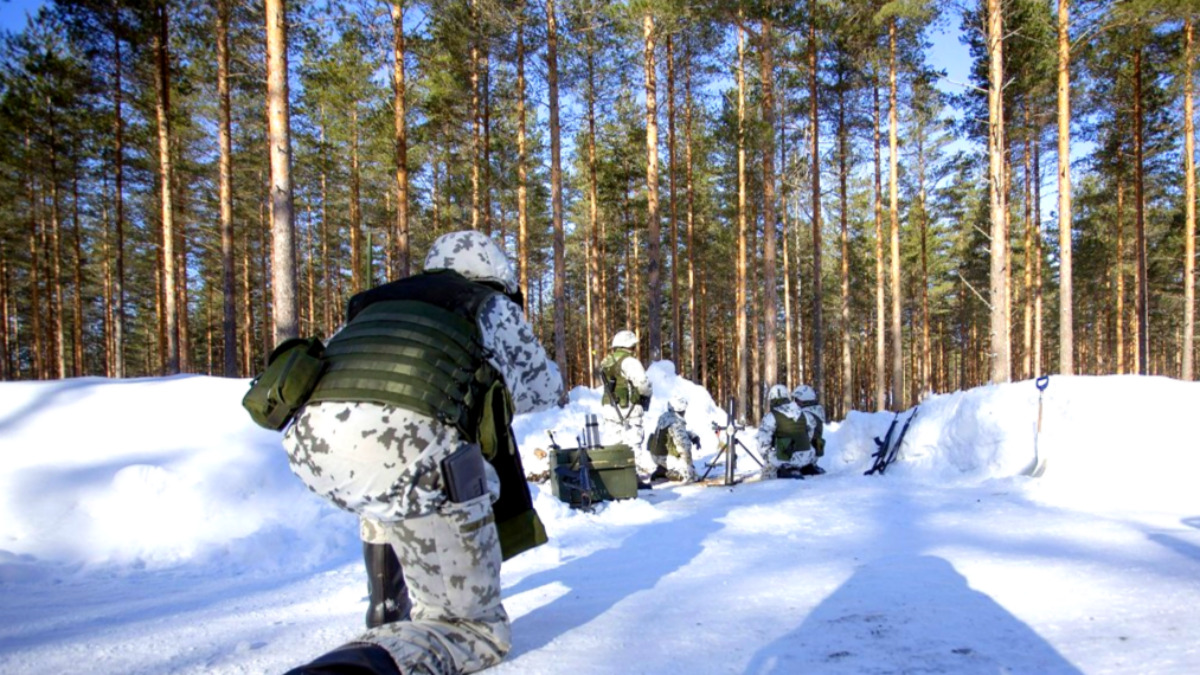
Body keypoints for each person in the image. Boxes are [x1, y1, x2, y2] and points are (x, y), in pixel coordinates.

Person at [281, 230, 563, 675]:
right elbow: (545, 389)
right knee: (473, 630)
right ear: (496, 272)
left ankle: (387, 605)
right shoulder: (487, 303)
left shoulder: (374, 302)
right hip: (411, 458)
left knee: (389, 471)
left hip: (311, 448)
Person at [598, 330, 654, 473]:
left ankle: (614, 477)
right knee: (633, 443)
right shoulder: (630, 361)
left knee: (613, 443)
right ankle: (633, 477)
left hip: (610, 407)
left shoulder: (607, 361)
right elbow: (642, 383)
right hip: (629, 407)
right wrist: (645, 394)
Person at [756, 384, 821, 479]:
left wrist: (769, 457)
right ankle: (804, 467)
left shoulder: (771, 416)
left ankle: (778, 471)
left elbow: (762, 442)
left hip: (785, 460)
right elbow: (811, 431)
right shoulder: (802, 412)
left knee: (767, 471)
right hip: (807, 457)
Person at [647, 395, 700, 483]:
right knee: (691, 476)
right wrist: (689, 465)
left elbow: (673, 434)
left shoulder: (665, 417)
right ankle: (671, 472)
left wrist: (693, 436)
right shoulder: (676, 422)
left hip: (655, 455)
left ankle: (662, 468)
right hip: (667, 458)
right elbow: (684, 446)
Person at [793, 384, 826, 474]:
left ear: (804, 400)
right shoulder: (815, 412)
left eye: (797, 400)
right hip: (812, 453)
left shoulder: (806, 415)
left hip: (803, 454)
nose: (795, 403)